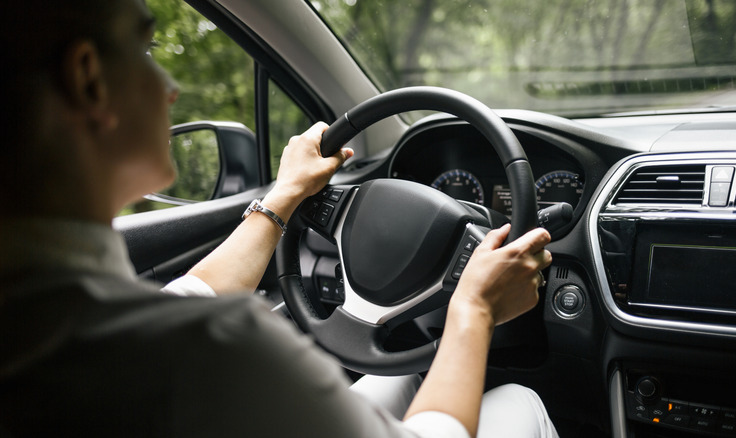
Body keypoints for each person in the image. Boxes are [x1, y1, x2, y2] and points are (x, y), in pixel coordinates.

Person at [0, 0, 557, 436]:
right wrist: (474, 309)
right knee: (519, 402)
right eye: (146, 51)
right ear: (88, 78)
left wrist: (284, 196)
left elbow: (193, 293)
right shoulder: (208, 350)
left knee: (406, 377)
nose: (170, 91)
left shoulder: (55, 324)